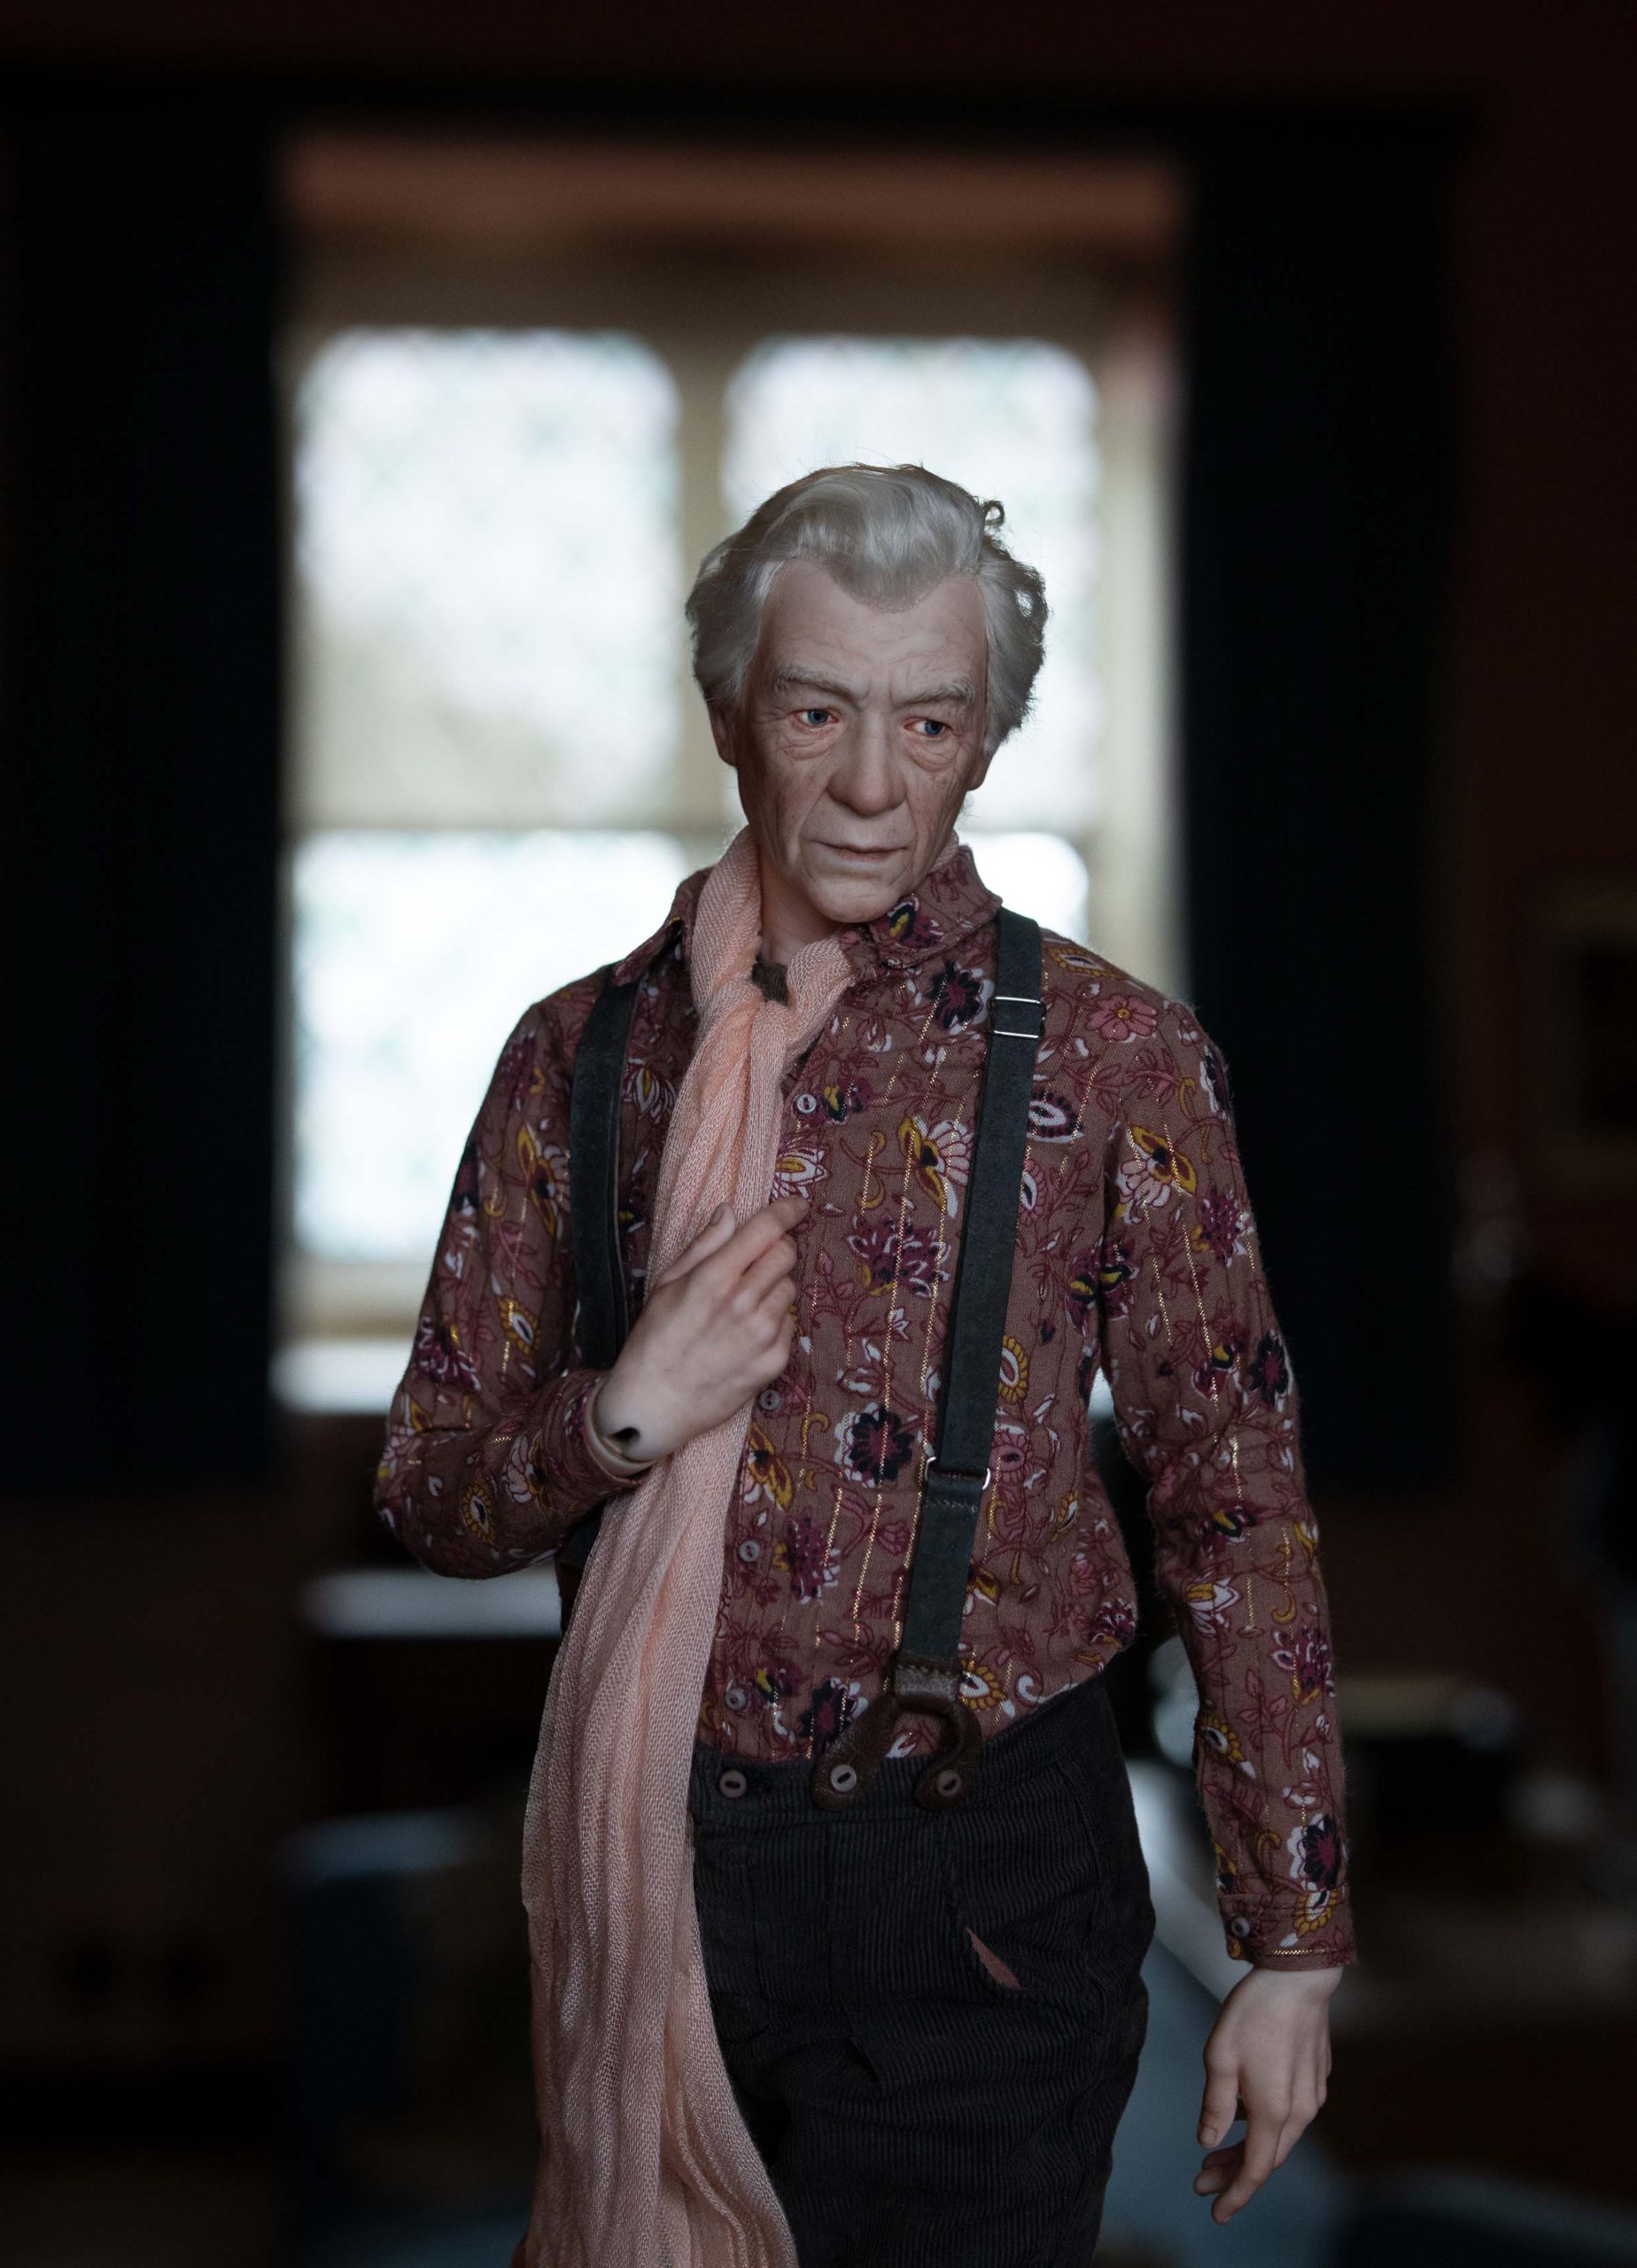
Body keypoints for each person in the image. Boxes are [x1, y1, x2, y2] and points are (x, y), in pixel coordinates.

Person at [375, 463, 1355, 2268]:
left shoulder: (1118, 1058)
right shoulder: (577, 1058)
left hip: (985, 1887)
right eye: (818, 711)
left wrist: (1288, 1940)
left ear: (985, 741)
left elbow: (1235, 1501)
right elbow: (432, 1491)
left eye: (930, 721)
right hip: (660, 1869)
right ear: (731, 711)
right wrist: (620, 1415)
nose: (872, 783)